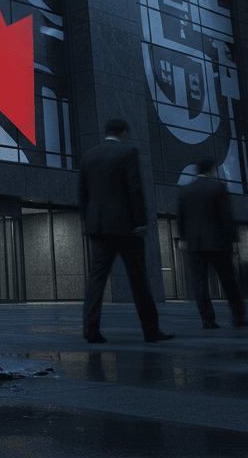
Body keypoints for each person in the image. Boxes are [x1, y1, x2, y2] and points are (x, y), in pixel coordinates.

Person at [79, 117, 174, 343]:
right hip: (126, 227)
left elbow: (83, 195)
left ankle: (91, 330)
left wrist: (89, 222)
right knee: (138, 278)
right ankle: (151, 330)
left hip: (99, 227)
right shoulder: (128, 151)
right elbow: (134, 188)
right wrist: (141, 221)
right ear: (124, 133)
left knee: (96, 279)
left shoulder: (88, 156)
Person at [176, 158, 248, 329]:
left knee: (200, 284)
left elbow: (180, 219)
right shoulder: (218, 188)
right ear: (211, 170)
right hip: (218, 242)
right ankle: (238, 317)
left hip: (195, 245)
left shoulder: (185, 191)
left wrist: (184, 238)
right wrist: (233, 239)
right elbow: (226, 216)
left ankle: (207, 320)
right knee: (228, 281)